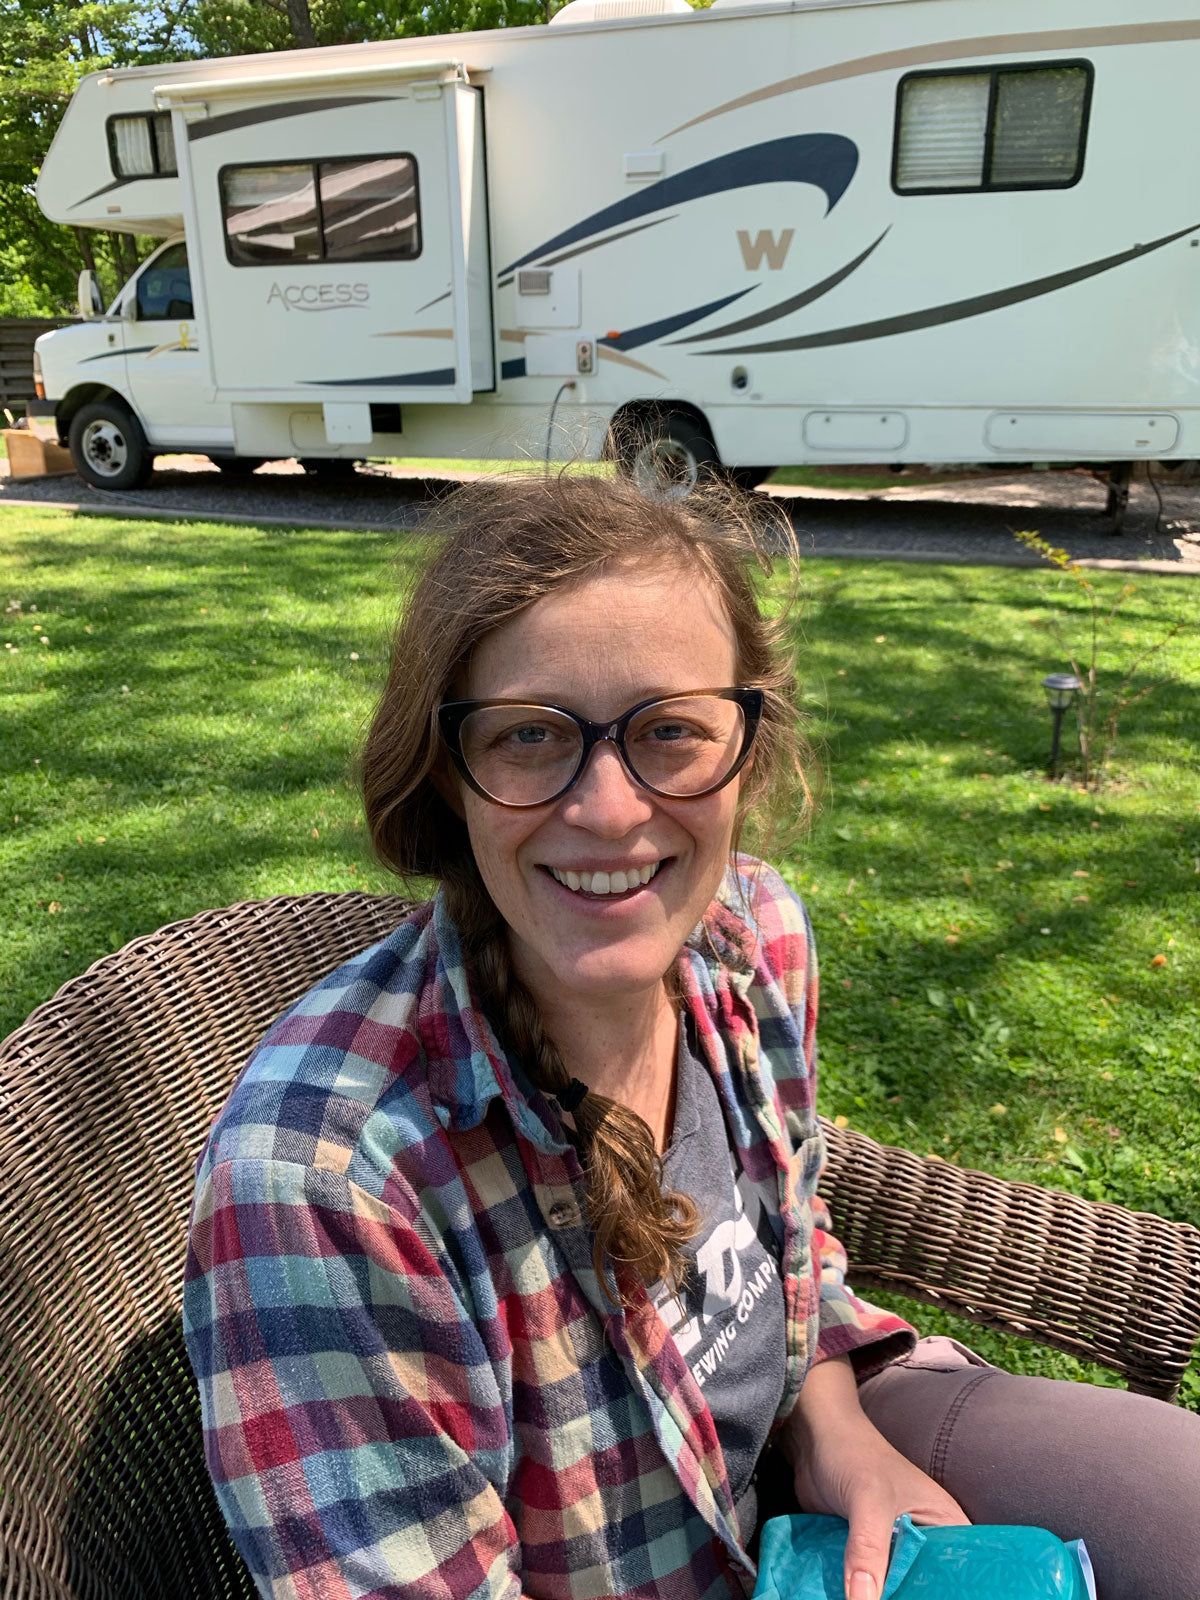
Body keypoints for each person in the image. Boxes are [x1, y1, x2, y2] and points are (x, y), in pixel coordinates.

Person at [183, 473, 1199, 1600]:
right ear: (445, 772)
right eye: (529, 735)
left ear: (746, 750)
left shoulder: (754, 935)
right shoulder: (326, 1182)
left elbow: (793, 1235)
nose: (609, 809)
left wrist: (836, 1430)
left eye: (669, 731)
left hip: (827, 1459)